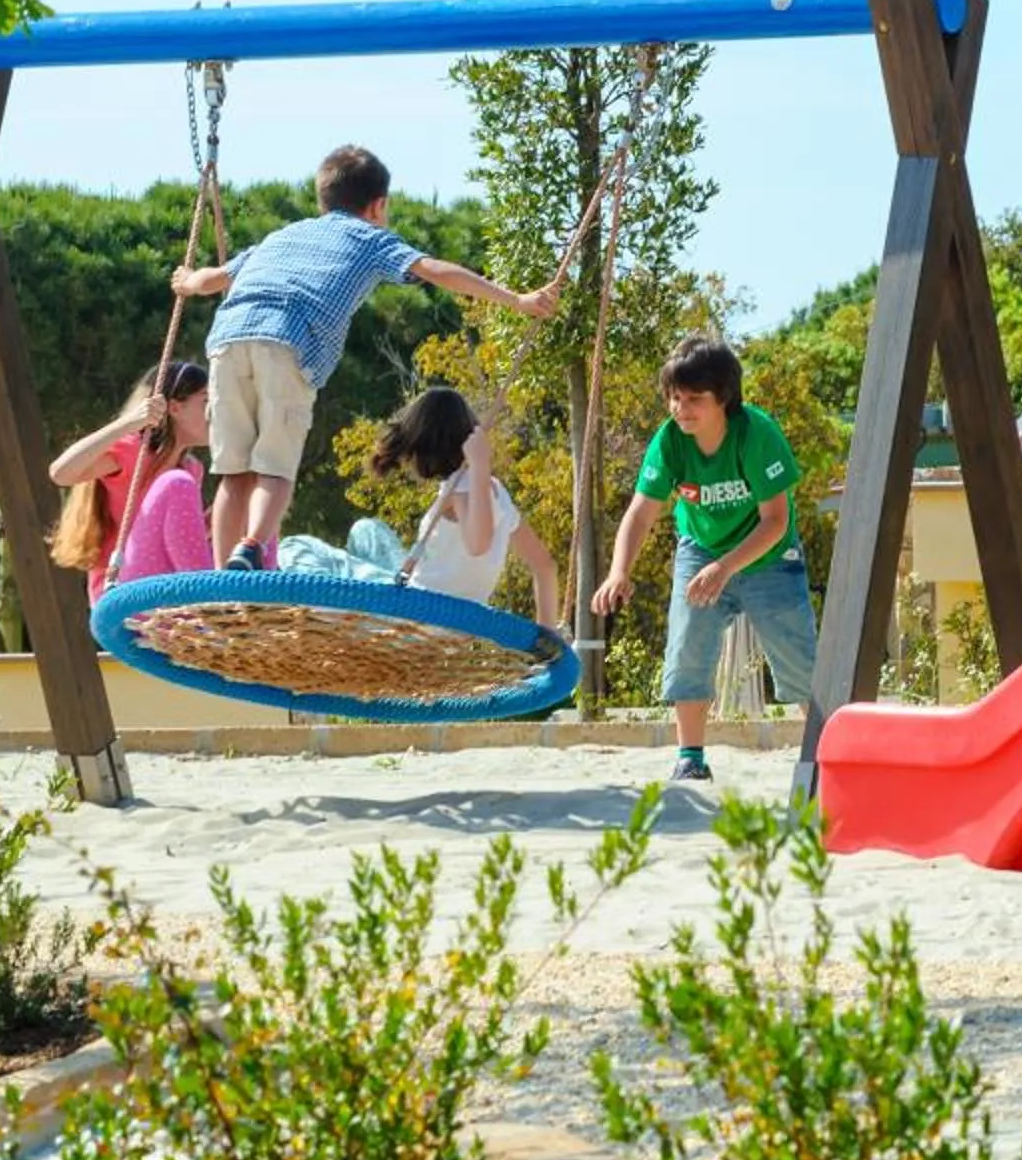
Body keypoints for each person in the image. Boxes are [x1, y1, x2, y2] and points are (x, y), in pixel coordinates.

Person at [171, 144, 560, 571]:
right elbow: (436, 270)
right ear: (378, 206)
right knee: (274, 467)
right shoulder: (371, 239)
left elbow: (216, 279)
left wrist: (188, 281)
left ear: (323, 199)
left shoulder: (283, 235)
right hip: (286, 341)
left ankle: (224, 574)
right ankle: (248, 547)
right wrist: (515, 300)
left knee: (233, 472)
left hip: (227, 338)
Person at [591, 335, 819, 784]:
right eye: (675, 398)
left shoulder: (757, 434)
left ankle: (825, 755)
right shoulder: (670, 441)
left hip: (767, 554)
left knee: (800, 663)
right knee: (688, 646)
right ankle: (690, 758)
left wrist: (726, 567)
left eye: (694, 399)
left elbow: (775, 520)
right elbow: (641, 512)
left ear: (724, 398)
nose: (681, 409)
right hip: (701, 548)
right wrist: (619, 571)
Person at [281, 386, 563, 627]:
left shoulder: (465, 485)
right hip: (440, 614)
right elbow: (545, 566)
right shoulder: (494, 491)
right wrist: (547, 637)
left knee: (294, 546)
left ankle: (327, 611)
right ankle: (343, 609)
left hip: (415, 617)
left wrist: (480, 465)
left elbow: (479, 544)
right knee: (366, 530)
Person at [47, 359, 211, 597]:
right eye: (206, 401)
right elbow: (60, 472)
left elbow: (176, 541)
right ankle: (208, 598)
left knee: (248, 505)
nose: (215, 411)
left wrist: (212, 522)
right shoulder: (134, 452)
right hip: (121, 590)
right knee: (177, 483)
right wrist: (129, 423)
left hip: (162, 582)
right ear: (175, 408)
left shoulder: (191, 469)